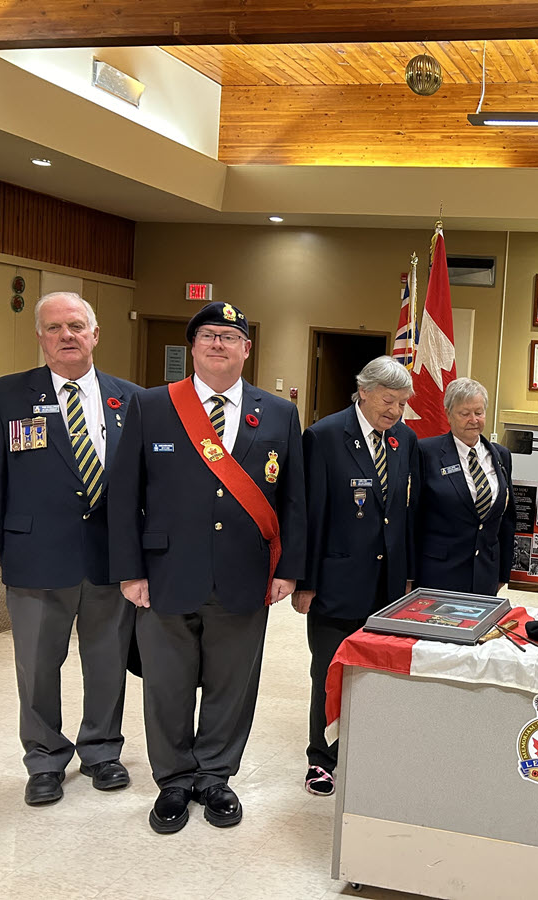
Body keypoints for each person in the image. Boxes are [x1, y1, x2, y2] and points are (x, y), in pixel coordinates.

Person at [109, 300, 305, 834]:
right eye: (208, 335)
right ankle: (173, 780)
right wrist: (130, 571)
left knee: (231, 683)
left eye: (229, 336)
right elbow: (124, 494)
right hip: (165, 573)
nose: (218, 343)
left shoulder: (280, 414)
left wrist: (289, 568)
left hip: (245, 574)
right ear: (193, 348)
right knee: (167, 684)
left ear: (246, 349)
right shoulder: (151, 405)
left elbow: (293, 500)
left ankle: (216, 776)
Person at [0, 291, 140, 807]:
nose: (67, 335)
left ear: (95, 335)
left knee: (106, 661)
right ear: (40, 337)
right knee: (38, 665)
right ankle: (43, 758)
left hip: (110, 558)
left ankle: (103, 750)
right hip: (36, 554)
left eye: (77, 326)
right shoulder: (5, 396)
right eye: (56, 327)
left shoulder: (129, 398)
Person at [292, 356, 420, 797]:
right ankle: (321, 759)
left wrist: (408, 577)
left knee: (374, 670)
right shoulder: (325, 437)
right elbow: (310, 515)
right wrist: (305, 581)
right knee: (328, 672)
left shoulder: (403, 440)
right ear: (363, 390)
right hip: (337, 580)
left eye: (402, 404)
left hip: (387, 585)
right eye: (389, 400)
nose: (395, 412)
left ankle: (359, 748)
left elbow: (405, 513)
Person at [415, 378, 516, 595]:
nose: (473, 420)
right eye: (465, 413)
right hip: (438, 574)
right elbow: (412, 518)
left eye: (479, 412)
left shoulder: (501, 456)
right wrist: (408, 575)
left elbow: (507, 520)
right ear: (448, 414)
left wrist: (502, 574)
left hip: (485, 574)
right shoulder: (426, 453)